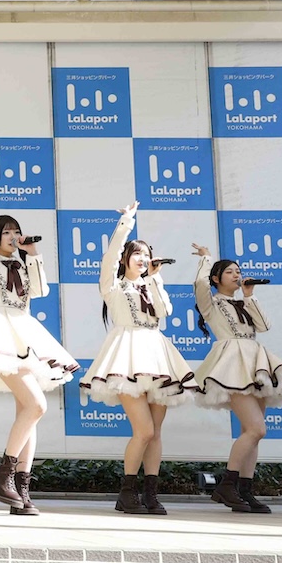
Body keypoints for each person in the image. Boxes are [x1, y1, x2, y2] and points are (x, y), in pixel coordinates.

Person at [0, 202, 77, 515]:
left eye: (16, 231)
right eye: (7, 232)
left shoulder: (24, 262)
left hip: (25, 334)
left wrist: (33, 253)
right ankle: (3, 475)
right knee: (37, 405)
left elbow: (41, 290)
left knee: (28, 411)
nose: (13, 236)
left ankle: (21, 491)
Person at [81, 201, 195, 515]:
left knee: (155, 433)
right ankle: (127, 492)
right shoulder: (112, 285)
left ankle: (150, 494)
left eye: (146, 254)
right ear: (126, 259)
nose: (143, 259)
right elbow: (110, 256)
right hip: (126, 357)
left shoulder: (151, 283)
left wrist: (155, 279)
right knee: (143, 430)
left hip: (157, 356)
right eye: (137, 254)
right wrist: (126, 223)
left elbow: (165, 311)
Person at [191, 244, 282, 513]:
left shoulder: (245, 301)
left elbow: (264, 326)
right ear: (217, 278)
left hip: (256, 362)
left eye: (238, 271)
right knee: (256, 429)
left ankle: (245, 490)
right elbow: (200, 285)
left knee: (252, 434)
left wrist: (250, 295)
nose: (237, 275)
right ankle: (227, 485)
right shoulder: (212, 303)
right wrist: (206, 259)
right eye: (230, 272)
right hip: (232, 364)